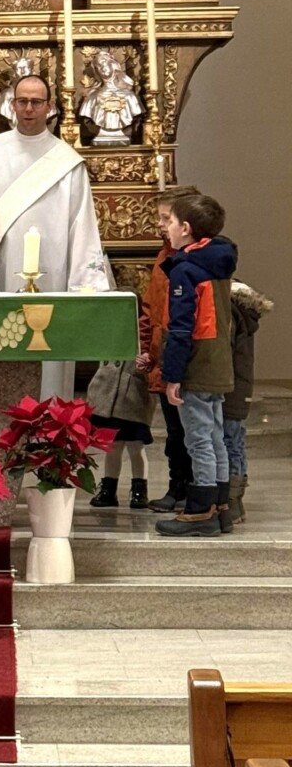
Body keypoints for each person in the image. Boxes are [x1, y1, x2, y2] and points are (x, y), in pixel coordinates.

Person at [0, 74, 109, 398]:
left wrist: (86, 287)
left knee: (47, 361)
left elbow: (82, 226)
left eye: (36, 102)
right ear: (12, 105)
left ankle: (48, 425)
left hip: (52, 276)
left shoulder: (67, 164)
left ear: (50, 106)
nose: (29, 109)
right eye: (22, 101)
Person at [155, 194, 236, 537]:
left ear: (186, 228)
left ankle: (200, 512)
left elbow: (181, 328)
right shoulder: (217, 261)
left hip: (196, 365)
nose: (167, 228)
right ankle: (221, 506)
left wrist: (172, 375)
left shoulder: (186, 269)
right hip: (217, 360)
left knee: (199, 440)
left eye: (171, 222)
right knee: (215, 436)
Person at [138, 186, 199, 513]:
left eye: (166, 218)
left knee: (194, 432)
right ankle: (177, 487)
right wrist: (146, 349)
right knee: (174, 432)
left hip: (190, 360)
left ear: (185, 223)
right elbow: (150, 308)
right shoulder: (164, 257)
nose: (160, 225)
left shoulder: (198, 260)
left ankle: (199, 490)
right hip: (165, 356)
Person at [223, 279, 273, 524]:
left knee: (231, 442)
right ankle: (235, 499)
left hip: (230, 385)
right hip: (239, 385)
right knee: (235, 441)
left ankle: (232, 500)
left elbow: (225, 350)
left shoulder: (231, 312)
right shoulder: (245, 313)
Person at [86, 359, 154, 508]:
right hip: (106, 389)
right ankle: (109, 489)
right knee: (113, 445)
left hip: (134, 393)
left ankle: (139, 490)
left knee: (136, 446)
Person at [77, 51, 144, 145]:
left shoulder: (130, 97)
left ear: (113, 64)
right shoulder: (91, 99)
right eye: (98, 66)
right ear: (95, 71)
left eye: (104, 62)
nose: (101, 67)